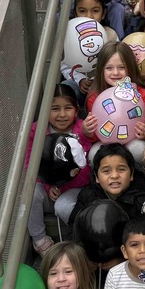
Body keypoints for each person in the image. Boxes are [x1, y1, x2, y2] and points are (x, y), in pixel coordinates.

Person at [25, 84, 92, 255]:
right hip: (48, 188)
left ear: (76, 110)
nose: (62, 114)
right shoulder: (37, 130)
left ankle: (79, 243)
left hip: (75, 187)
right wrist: (47, 186)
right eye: (55, 108)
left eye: (68, 108)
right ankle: (40, 241)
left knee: (69, 206)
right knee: (29, 193)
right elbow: (30, 163)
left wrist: (85, 136)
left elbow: (85, 167)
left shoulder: (81, 128)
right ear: (45, 110)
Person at [70, 144, 145, 268]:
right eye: (106, 171)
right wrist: (85, 258)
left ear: (132, 174)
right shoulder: (87, 195)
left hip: (129, 260)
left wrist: (123, 259)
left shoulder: (143, 201)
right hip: (93, 259)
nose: (114, 176)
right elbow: (75, 227)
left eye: (121, 169)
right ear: (96, 177)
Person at [81, 42, 145, 165]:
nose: (116, 73)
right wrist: (88, 132)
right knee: (93, 154)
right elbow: (98, 134)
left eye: (122, 67)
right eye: (109, 68)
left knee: (140, 149)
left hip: (132, 142)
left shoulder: (142, 95)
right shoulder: (95, 98)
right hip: (106, 144)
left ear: (130, 68)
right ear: (101, 70)